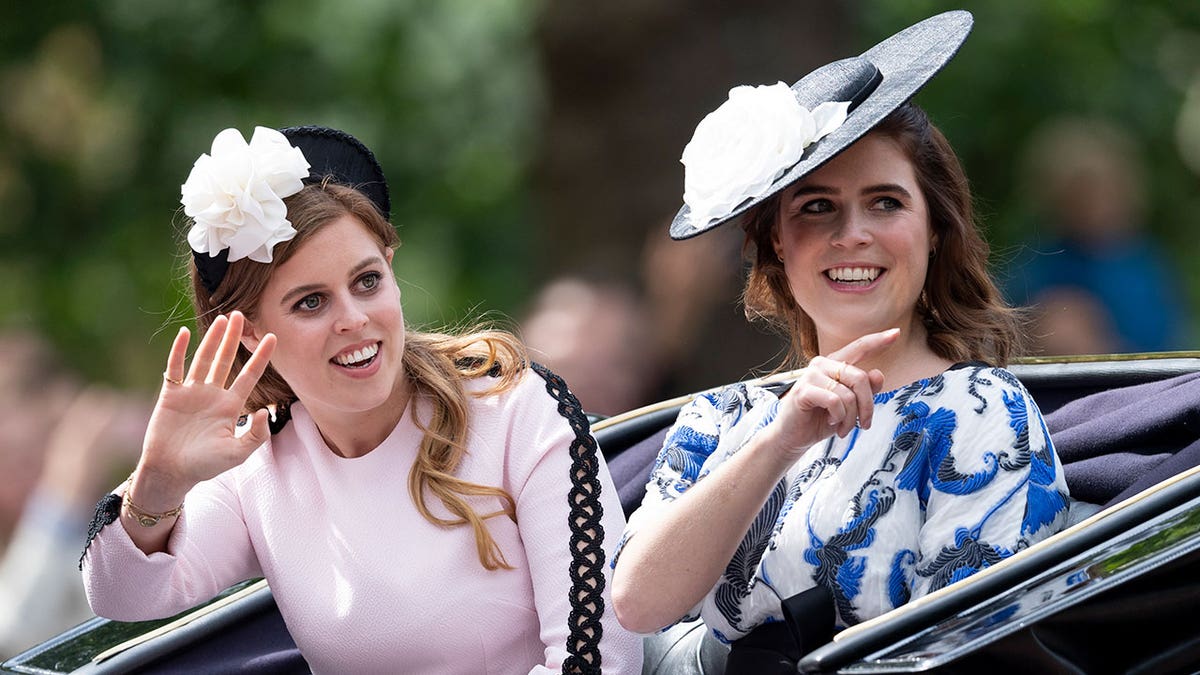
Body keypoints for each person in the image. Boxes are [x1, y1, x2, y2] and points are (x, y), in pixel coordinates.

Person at [80, 125, 641, 674]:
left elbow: (601, 658)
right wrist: (159, 480)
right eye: (310, 303)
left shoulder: (511, 402)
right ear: (249, 331)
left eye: (366, 282)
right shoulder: (255, 462)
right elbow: (123, 597)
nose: (353, 319)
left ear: (391, 272)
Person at [610, 11, 1071, 671]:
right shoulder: (719, 419)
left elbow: (971, 652)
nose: (852, 234)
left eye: (885, 202)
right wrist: (779, 439)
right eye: (817, 206)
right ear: (775, 239)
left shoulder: (980, 411)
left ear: (934, 229)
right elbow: (635, 605)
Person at [1005, 116, 1190, 354]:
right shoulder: (1040, 260)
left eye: (1102, 190)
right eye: (1079, 193)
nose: (1093, 205)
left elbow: (1166, 347)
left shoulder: (1145, 267)